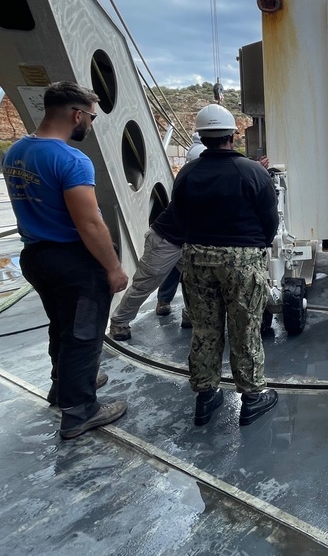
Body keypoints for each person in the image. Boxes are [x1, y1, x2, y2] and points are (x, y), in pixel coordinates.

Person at [2, 81, 129, 439]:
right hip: (73, 262)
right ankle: (80, 411)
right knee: (84, 334)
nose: (90, 124)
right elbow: (89, 223)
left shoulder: (16, 151)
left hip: (36, 256)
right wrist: (114, 268)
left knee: (61, 324)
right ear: (77, 115)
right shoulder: (71, 159)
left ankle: (63, 387)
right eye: (91, 116)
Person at [170, 103, 279, 427]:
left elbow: (178, 219)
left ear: (202, 137)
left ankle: (206, 397)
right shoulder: (252, 172)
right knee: (245, 329)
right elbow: (269, 222)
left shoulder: (187, 173)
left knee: (205, 329)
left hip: (197, 259)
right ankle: (252, 398)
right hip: (242, 261)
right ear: (233, 135)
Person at [107, 202, 184, 340]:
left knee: (199, 282)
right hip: (166, 240)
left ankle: (191, 314)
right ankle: (120, 322)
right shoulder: (195, 181)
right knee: (145, 284)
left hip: (190, 241)